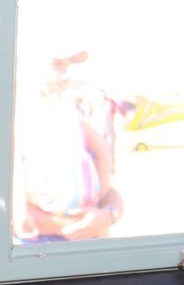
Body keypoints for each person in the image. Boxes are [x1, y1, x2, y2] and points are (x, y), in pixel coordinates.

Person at [13, 49, 125, 241]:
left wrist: (102, 195)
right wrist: (74, 225)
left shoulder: (72, 117)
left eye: (67, 67)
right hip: (42, 240)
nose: (66, 74)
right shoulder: (19, 120)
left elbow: (102, 152)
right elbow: (13, 203)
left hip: (86, 227)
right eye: (57, 66)